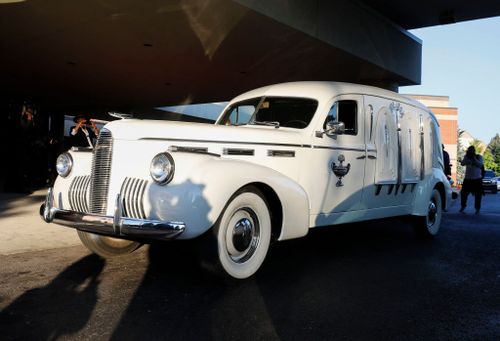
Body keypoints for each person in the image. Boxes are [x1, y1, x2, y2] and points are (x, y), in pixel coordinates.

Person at [459, 146, 484, 214]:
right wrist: (468, 159)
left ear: (474, 151)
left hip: (477, 179)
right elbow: (462, 163)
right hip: (468, 179)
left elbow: (480, 165)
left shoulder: (479, 157)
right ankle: (463, 206)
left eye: (472, 150)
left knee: (478, 195)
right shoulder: (466, 157)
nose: (471, 151)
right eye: (469, 150)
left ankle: (477, 209)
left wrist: (474, 159)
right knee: (463, 194)